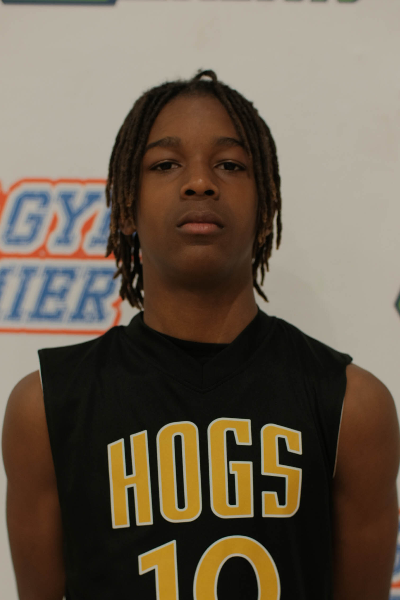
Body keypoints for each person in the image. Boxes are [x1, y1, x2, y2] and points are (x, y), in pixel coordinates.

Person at [2, 69, 399, 600]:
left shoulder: (352, 406)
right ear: (126, 207)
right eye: (165, 164)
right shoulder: (46, 408)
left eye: (230, 165)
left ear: (266, 208)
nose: (199, 182)